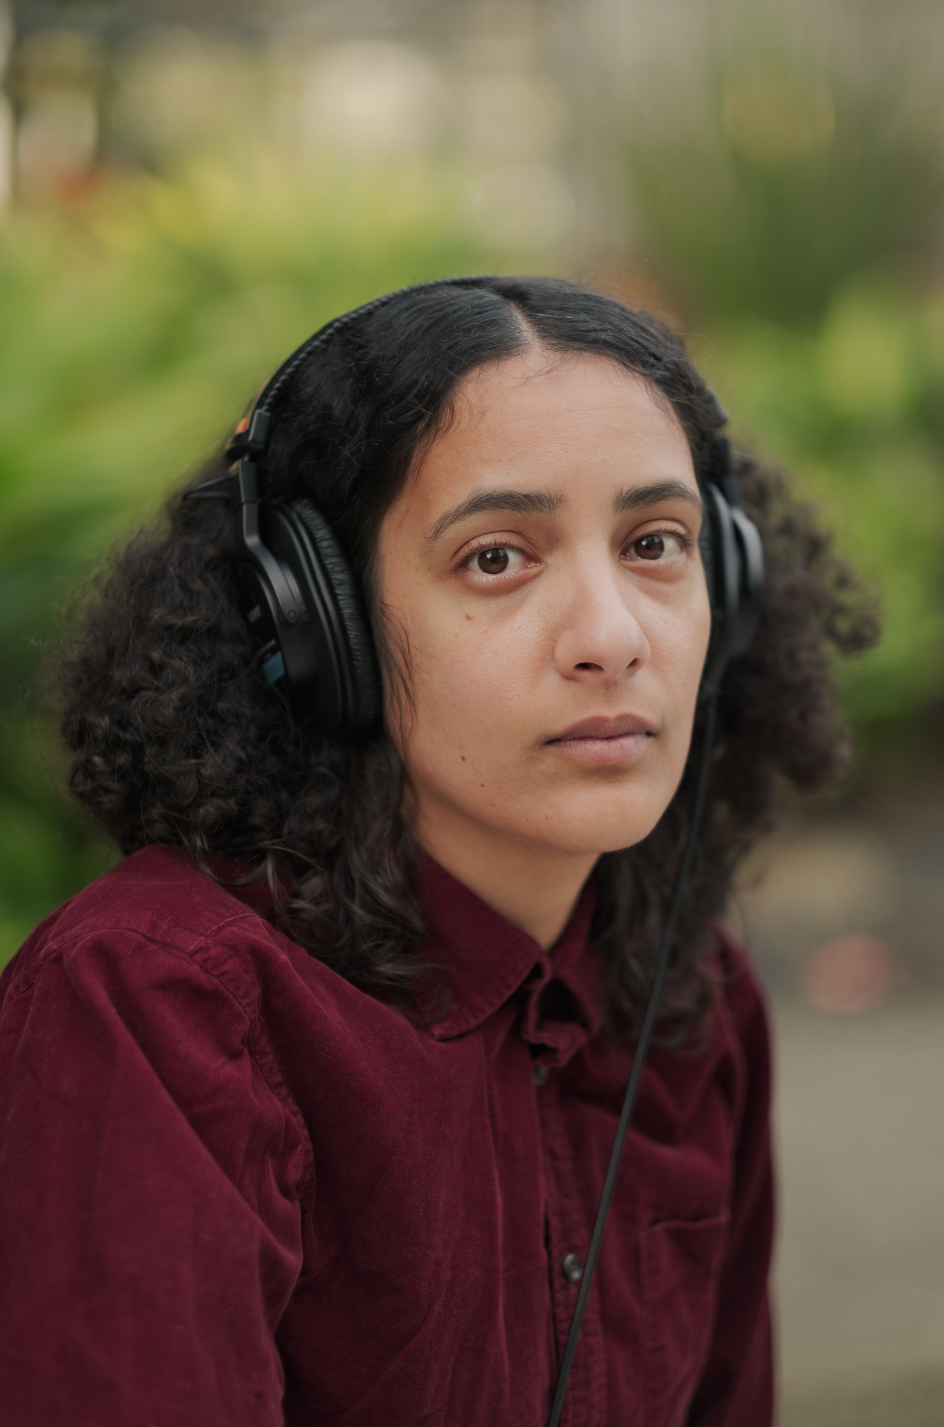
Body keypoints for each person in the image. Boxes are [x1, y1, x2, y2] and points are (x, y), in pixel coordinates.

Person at [0, 276, 875, 1426]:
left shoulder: (690, 989)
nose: (611, 638)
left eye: (654, 542)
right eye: (497, 559)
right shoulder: (158, 1005)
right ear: (320, 626)